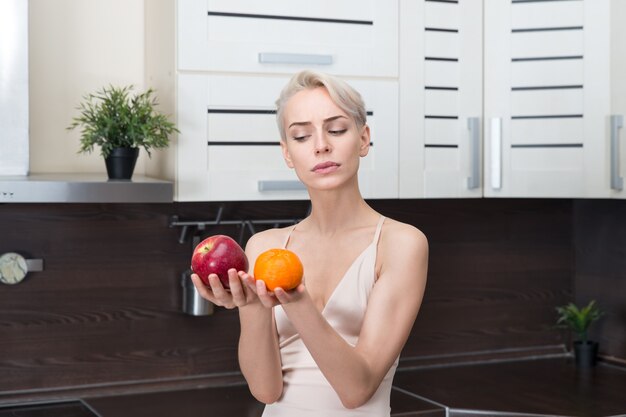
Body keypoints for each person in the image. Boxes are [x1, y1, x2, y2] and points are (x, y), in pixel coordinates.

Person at [191, 70, 428, 416]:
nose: (321, 145)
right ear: (288, 154)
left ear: (363, 140)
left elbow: (356, 390)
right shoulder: (265, 247)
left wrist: (296, 301)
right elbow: (265, 390)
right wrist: (253, 307)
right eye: (301, 136)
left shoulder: (400, 244)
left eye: (336, 129)